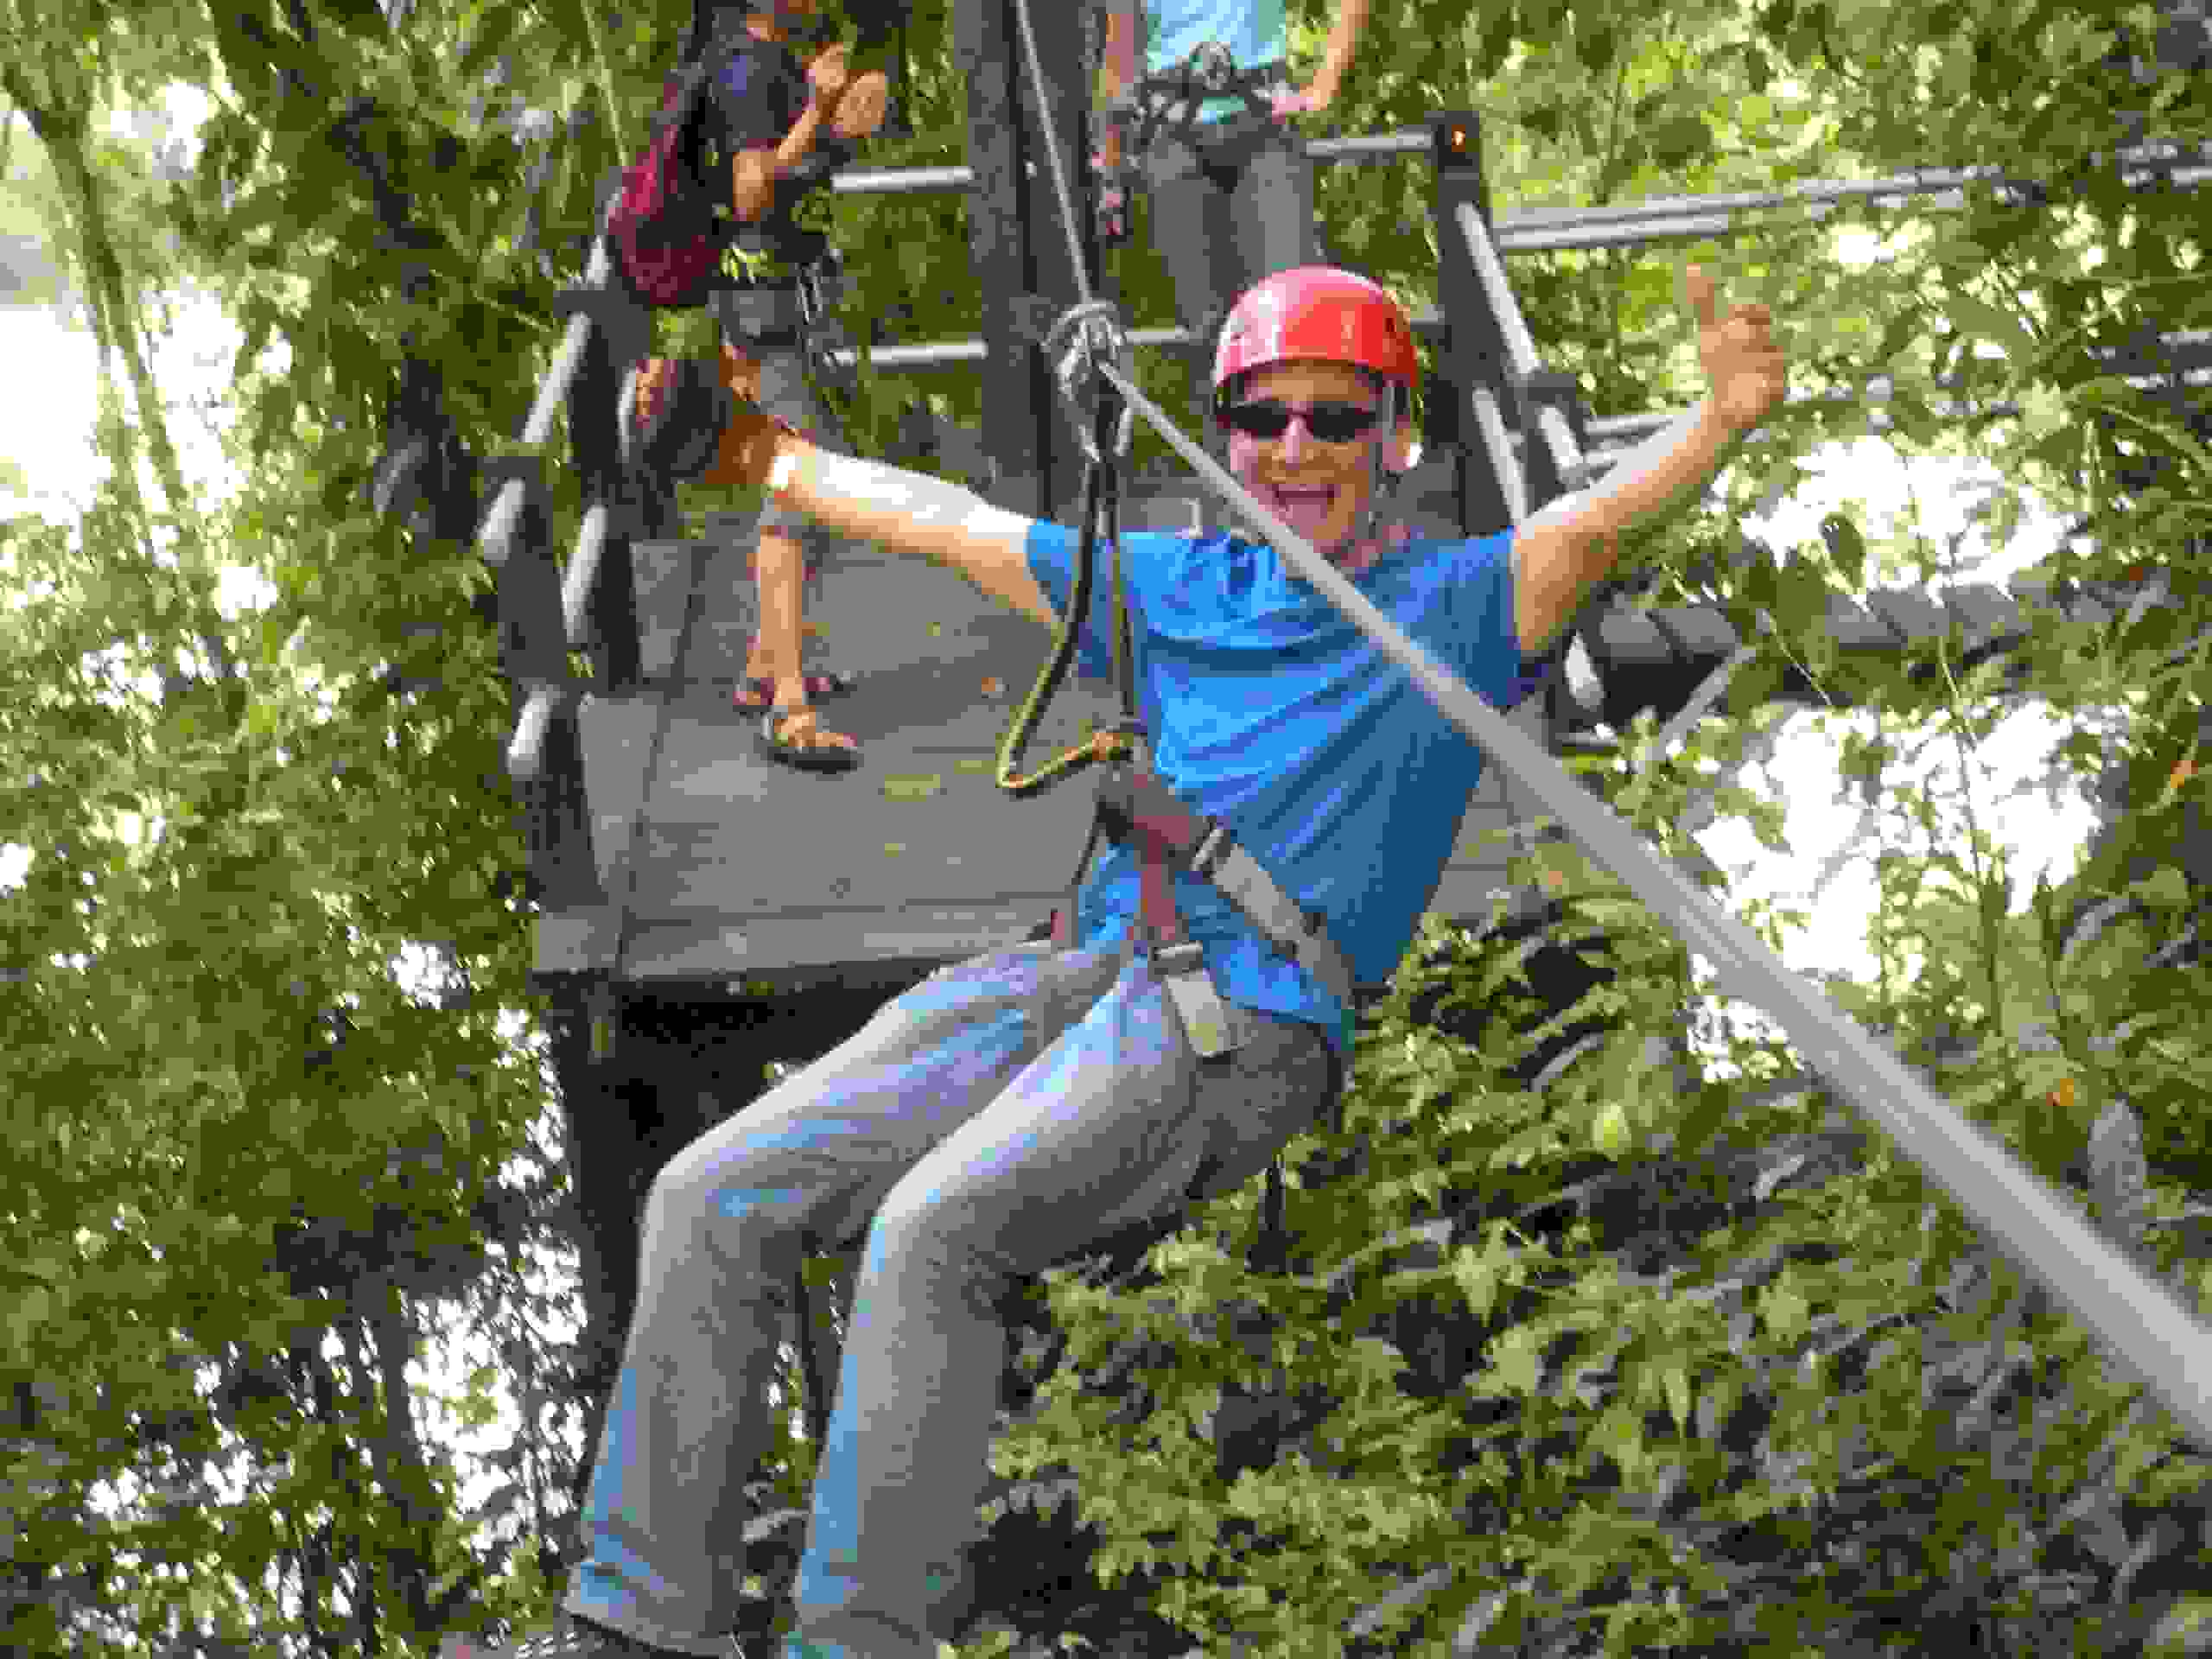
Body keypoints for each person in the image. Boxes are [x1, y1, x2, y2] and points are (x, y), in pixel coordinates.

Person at [547, 264, 1787, 1659]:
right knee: (713, 1193)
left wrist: (1718, 425)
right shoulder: (1184, 585)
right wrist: (767, 456)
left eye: (1335, 417)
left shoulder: (1446, 612)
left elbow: (1590, 532)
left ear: (1398, 436)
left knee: (932, 1233)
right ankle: (634, 1628)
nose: (1297, 449)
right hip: (1085, 973)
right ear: (1230, 435)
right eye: (1264, 420)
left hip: (1240, 1022)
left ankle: (858, 1644)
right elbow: (956, 528)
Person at [626, 0, 891, 773]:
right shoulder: (748, 68)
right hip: (763, 305)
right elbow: (750, 194)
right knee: (800, 485)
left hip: (771, 300)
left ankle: (762, 669)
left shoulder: (753, 59)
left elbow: (786, 172)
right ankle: (787, 707)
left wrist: (836, 128)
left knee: (810, 467)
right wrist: (816, 109)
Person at [1096, 1, 1375, 439]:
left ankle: (1301, 460)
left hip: (1263, 131)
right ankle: (1236, 474)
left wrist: (1326, 83)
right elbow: (1119, 53)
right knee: (1207, 329)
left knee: (1289, 311)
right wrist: (1111, 170)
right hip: (1174, 139)